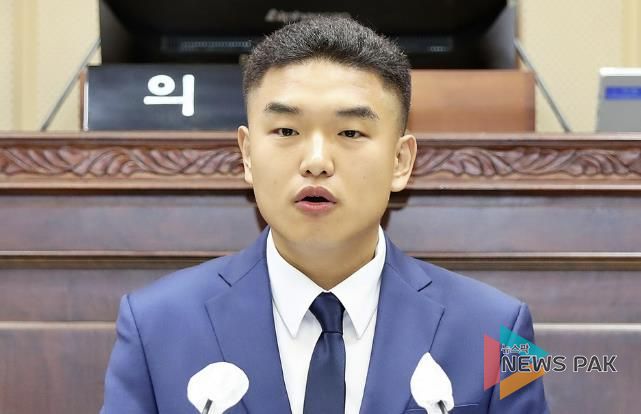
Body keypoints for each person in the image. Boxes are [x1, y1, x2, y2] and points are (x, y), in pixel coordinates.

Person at [101, 16, 549, 414]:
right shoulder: (155, 325)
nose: (316, 161)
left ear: (400, 161)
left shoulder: (500, 330)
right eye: (286, 130)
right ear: (247, 154)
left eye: (350, 132)